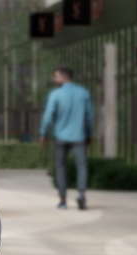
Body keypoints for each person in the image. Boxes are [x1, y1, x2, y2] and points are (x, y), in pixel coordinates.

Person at [38, 66, 95, 209]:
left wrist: (43, 134)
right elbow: (89, 117)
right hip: (79, 136)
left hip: (60, 137)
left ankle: (63, 200)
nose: (54, 79)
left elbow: (48, 116)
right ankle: (81, 194)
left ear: (65, 77)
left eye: (56, 76)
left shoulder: (55, 94)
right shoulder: (83, 93)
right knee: (81, 166)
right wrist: (89, 134)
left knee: (60, 167)